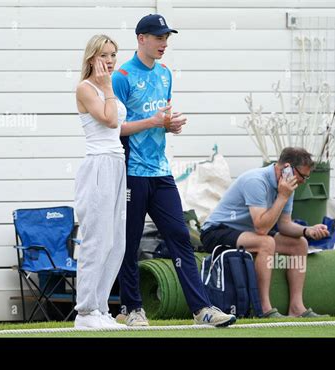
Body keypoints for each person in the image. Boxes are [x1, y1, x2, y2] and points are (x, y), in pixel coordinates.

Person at [112, 14, 236, 327]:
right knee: (131, 239)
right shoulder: (122, 76)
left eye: (166, 37)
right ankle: (132, 308)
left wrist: (168, 126)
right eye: (157, 37)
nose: (164, 43)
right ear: (141, 38)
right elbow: (114, 129)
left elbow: (157, 121)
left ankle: (202, 310)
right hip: (132, 171)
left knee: (180, 236)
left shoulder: (166, 73)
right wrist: (154, 122)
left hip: (160, 170)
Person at [200, 147, 330, 318]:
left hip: (248, 233)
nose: (304, 181)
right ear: (287, 168)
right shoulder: (256, 181)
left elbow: (284, 225)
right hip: (216, 231)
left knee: (299, 244)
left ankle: (296, 307)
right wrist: (282, 196)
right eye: (302, 176)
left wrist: (307, 230)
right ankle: (263, 308)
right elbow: (262, 228)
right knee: (266, 242)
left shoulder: (288, 185)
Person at [74, 34, 127, 329]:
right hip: (98, 167)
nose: (109, 61)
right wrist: (107, 86)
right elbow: (108, 120)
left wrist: (157, 123)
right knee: (96, 239)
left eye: (113, 55)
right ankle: (85, 311)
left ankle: (100, 307)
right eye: (104, 55)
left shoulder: (107, 90)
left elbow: (119, 125)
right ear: (92, 57)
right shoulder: (86, 88)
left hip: (117, 163)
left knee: (116, 241)